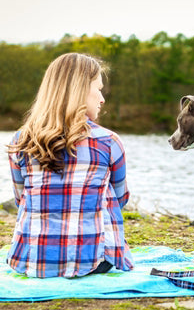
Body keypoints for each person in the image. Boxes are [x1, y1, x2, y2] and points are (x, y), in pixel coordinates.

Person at [7, 53, 134, 278]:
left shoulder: (20, 141)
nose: (102, 98)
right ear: (81, 89)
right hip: (95, 262)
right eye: (99, 89)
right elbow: (121, 199)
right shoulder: (109, 142)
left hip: (33, 260)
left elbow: (20, 200)